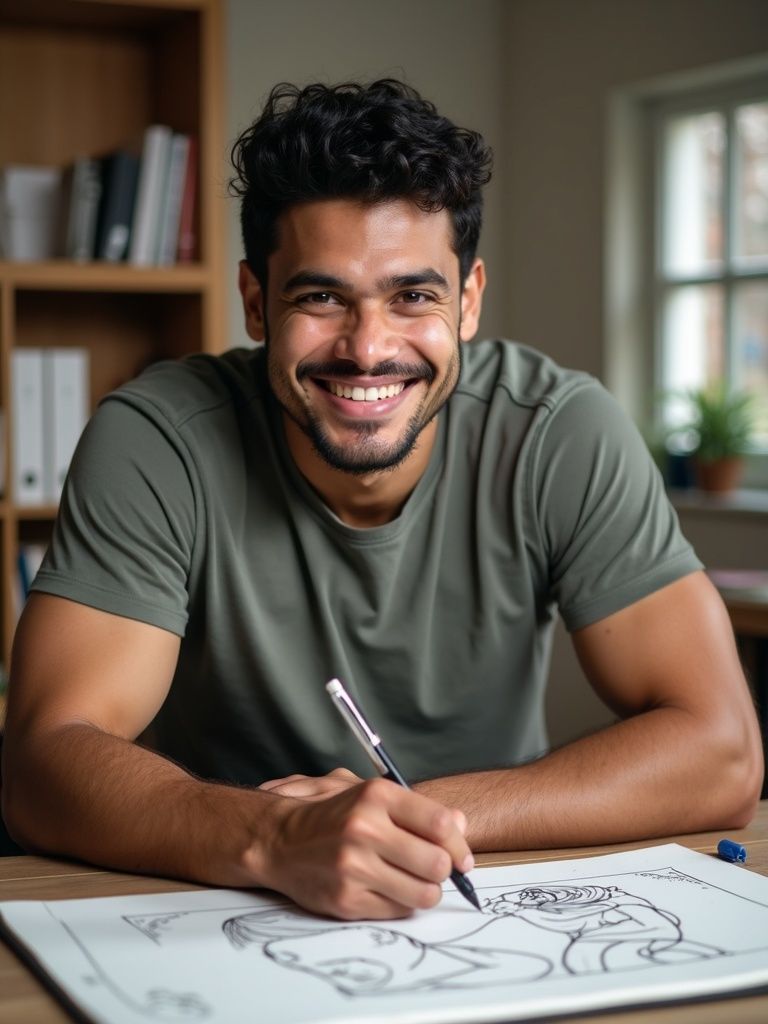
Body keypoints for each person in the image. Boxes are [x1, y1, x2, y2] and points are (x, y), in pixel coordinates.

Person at [1, 80, 762, 922]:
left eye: (413, 295)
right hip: (215, 906)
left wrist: (405, 820)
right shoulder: (158, 437)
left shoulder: (557, 432)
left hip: (479, 900)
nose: (369, 349)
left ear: (468, 301)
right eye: (321, 297)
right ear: (257, 302)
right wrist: (272, 836)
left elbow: (722, 752)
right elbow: (42, 761)